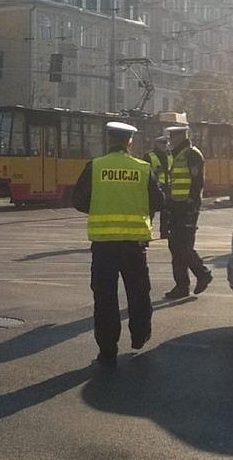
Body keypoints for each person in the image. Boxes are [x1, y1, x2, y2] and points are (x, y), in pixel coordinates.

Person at [73, 121, 164, 367]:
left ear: (108, 140)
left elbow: (78, 200)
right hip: (134, 246)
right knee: (139, 293)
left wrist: (102, 204)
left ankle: (107, 350)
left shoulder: (96, 167)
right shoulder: (143, 169)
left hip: (103, 246)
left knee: (105, 299)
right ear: (130, 142)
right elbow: (159, 201)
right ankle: (139, 335)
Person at [163, 126, 213, 299]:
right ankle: (182, 286)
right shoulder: (177, 154)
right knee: (175, 246)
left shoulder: (191, 154)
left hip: (187, 207)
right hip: (177, 206)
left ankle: (202, 274)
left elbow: (197, 181)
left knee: (182, 246)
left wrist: (191, 203)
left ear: (181, 136)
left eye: (173, 136)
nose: (170, 140)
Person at [143, 136, 173, 239]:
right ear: (157, 144)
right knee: (151, 211)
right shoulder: (149, 156)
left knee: (166, 212)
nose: (165, 146)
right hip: (153, 187)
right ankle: (148, 232)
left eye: (167, 144)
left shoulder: (170, 155)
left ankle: (164, 232)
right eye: (163, 144)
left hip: (167, 186)